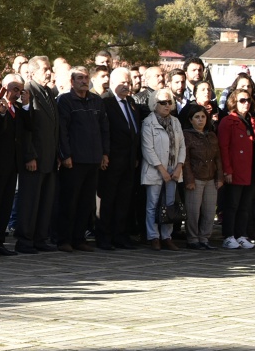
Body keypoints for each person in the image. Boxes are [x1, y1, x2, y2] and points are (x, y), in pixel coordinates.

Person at [55, 66, 109, 251]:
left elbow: (104, 128)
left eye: (86, 77)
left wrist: (105, 153)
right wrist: (66, 154)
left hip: (93, 159)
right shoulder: (65, 101)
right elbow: (62, 130)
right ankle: (64, 239)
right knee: (69, 202)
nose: (84, 81)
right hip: (74, 160)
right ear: (72, 81)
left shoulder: (96, 101)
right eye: (79, 78)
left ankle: (79, 239)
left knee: (86, 203)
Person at [16, 56, 60, 253]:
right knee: (30, 201)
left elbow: (54, 127)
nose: (49, 72)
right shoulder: (27, 91)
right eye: (45, 69)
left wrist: (58, 153)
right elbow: (26, 129)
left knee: (45, 201)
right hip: (34, 157)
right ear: (32, 72)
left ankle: (40, 238)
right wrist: (29, 155)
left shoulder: (48, 92)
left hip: (49, 156)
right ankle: (25, 240)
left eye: (50, 68)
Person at [217, 89, 255, 249]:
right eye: (242, 100)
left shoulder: (253, 121)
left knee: (245, 205)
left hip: (252, 169)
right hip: (235, 169)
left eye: (248, 101)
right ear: (234, 102)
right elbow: (223, 148)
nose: (246, 103)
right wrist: (227, 170)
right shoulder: (227, 121)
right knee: (232, 204)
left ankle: (241, 235)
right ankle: (228, 235)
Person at [98, 66, 141, 250]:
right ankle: (104, 237)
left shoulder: (131, 102)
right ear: (112, 83)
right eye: (122, 82)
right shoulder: (105, 102)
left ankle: (120, 235)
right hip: (111, 160)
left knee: (124, 199)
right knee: (108, 199)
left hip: (129, 160)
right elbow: (103, 130)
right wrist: (104, 154)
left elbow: (134, 131)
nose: (126, 86)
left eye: (128, 83)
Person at [140, 87, 184, 249]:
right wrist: (162, 170)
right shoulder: (148, 122)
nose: (167, 105)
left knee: (170, 204)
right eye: (162, 102)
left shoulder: (176, 122)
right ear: (154, 104)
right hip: (155, 170)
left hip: (174, 170)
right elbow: (147, 149)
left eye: (169, 102)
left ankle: (167, 236)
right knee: (153, 204)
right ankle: (154, 236)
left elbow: (182, 147)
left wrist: (179, 166)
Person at [0, 74, 23, 256]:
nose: (18, 93)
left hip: (12, 164)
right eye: (15, 89)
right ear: (6, 88)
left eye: (20, 90)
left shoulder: (17, 108)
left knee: (6, 203)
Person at [182, 106, 221, 249]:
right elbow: (185, 160)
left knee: (210, 210)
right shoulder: (187, 135)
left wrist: (219, 177)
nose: (200, 120)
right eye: (197, 117)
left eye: (203, 117)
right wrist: (189, 179)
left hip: (210, 177)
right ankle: (192, 239)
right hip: (195, 177)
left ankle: (204, 238)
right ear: (190, 120)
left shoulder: (211, 135)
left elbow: (218, 157)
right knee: (193, 211)